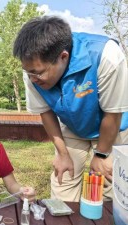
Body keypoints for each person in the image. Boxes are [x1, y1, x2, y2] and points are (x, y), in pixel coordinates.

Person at [13, 15, 128, 202]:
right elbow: (46, 113)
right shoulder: (32, 72)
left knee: (111, 186)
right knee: (62, 182)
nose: (33, 78)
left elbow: (113, 114)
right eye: (29, 72)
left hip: (114, 128)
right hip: (73, 128)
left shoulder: (106, 56)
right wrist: (62, 153)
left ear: (63, 57)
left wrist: (101, 153)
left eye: (38, 73)